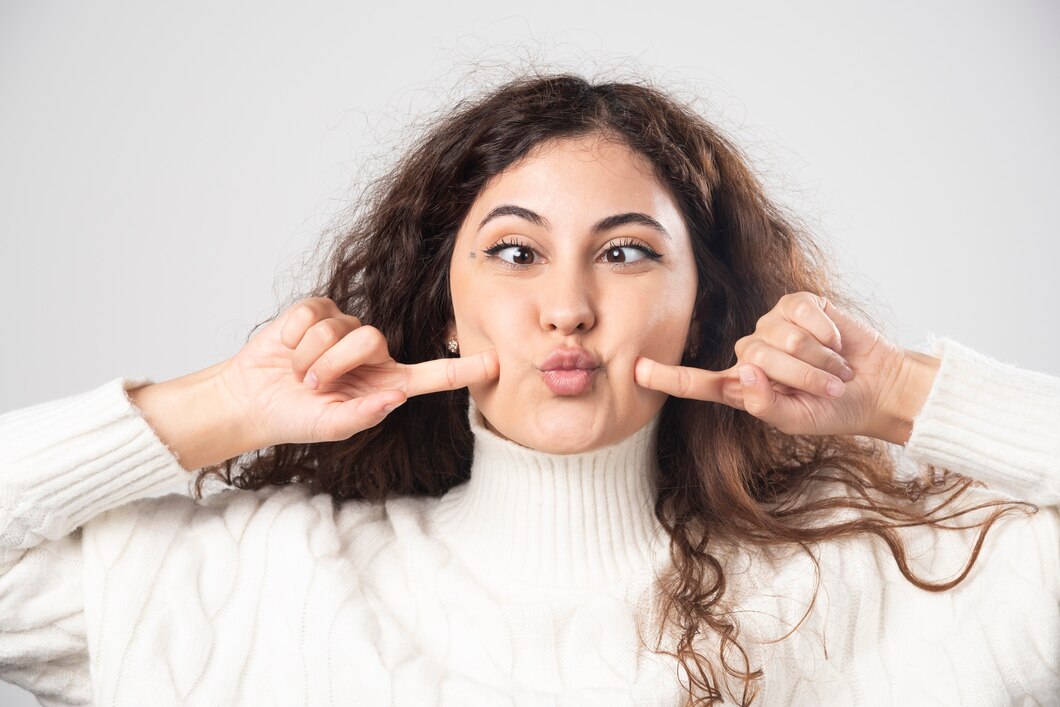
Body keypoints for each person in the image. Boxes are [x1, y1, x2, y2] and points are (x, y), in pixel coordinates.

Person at [1, 72, 1057, 707]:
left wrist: (891, 389)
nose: (567, 307)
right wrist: (226, 403)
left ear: (704, 306)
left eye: (627, 253)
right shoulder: (266, 578)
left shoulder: (873, 589)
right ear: (445, 306)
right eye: (513, 254)